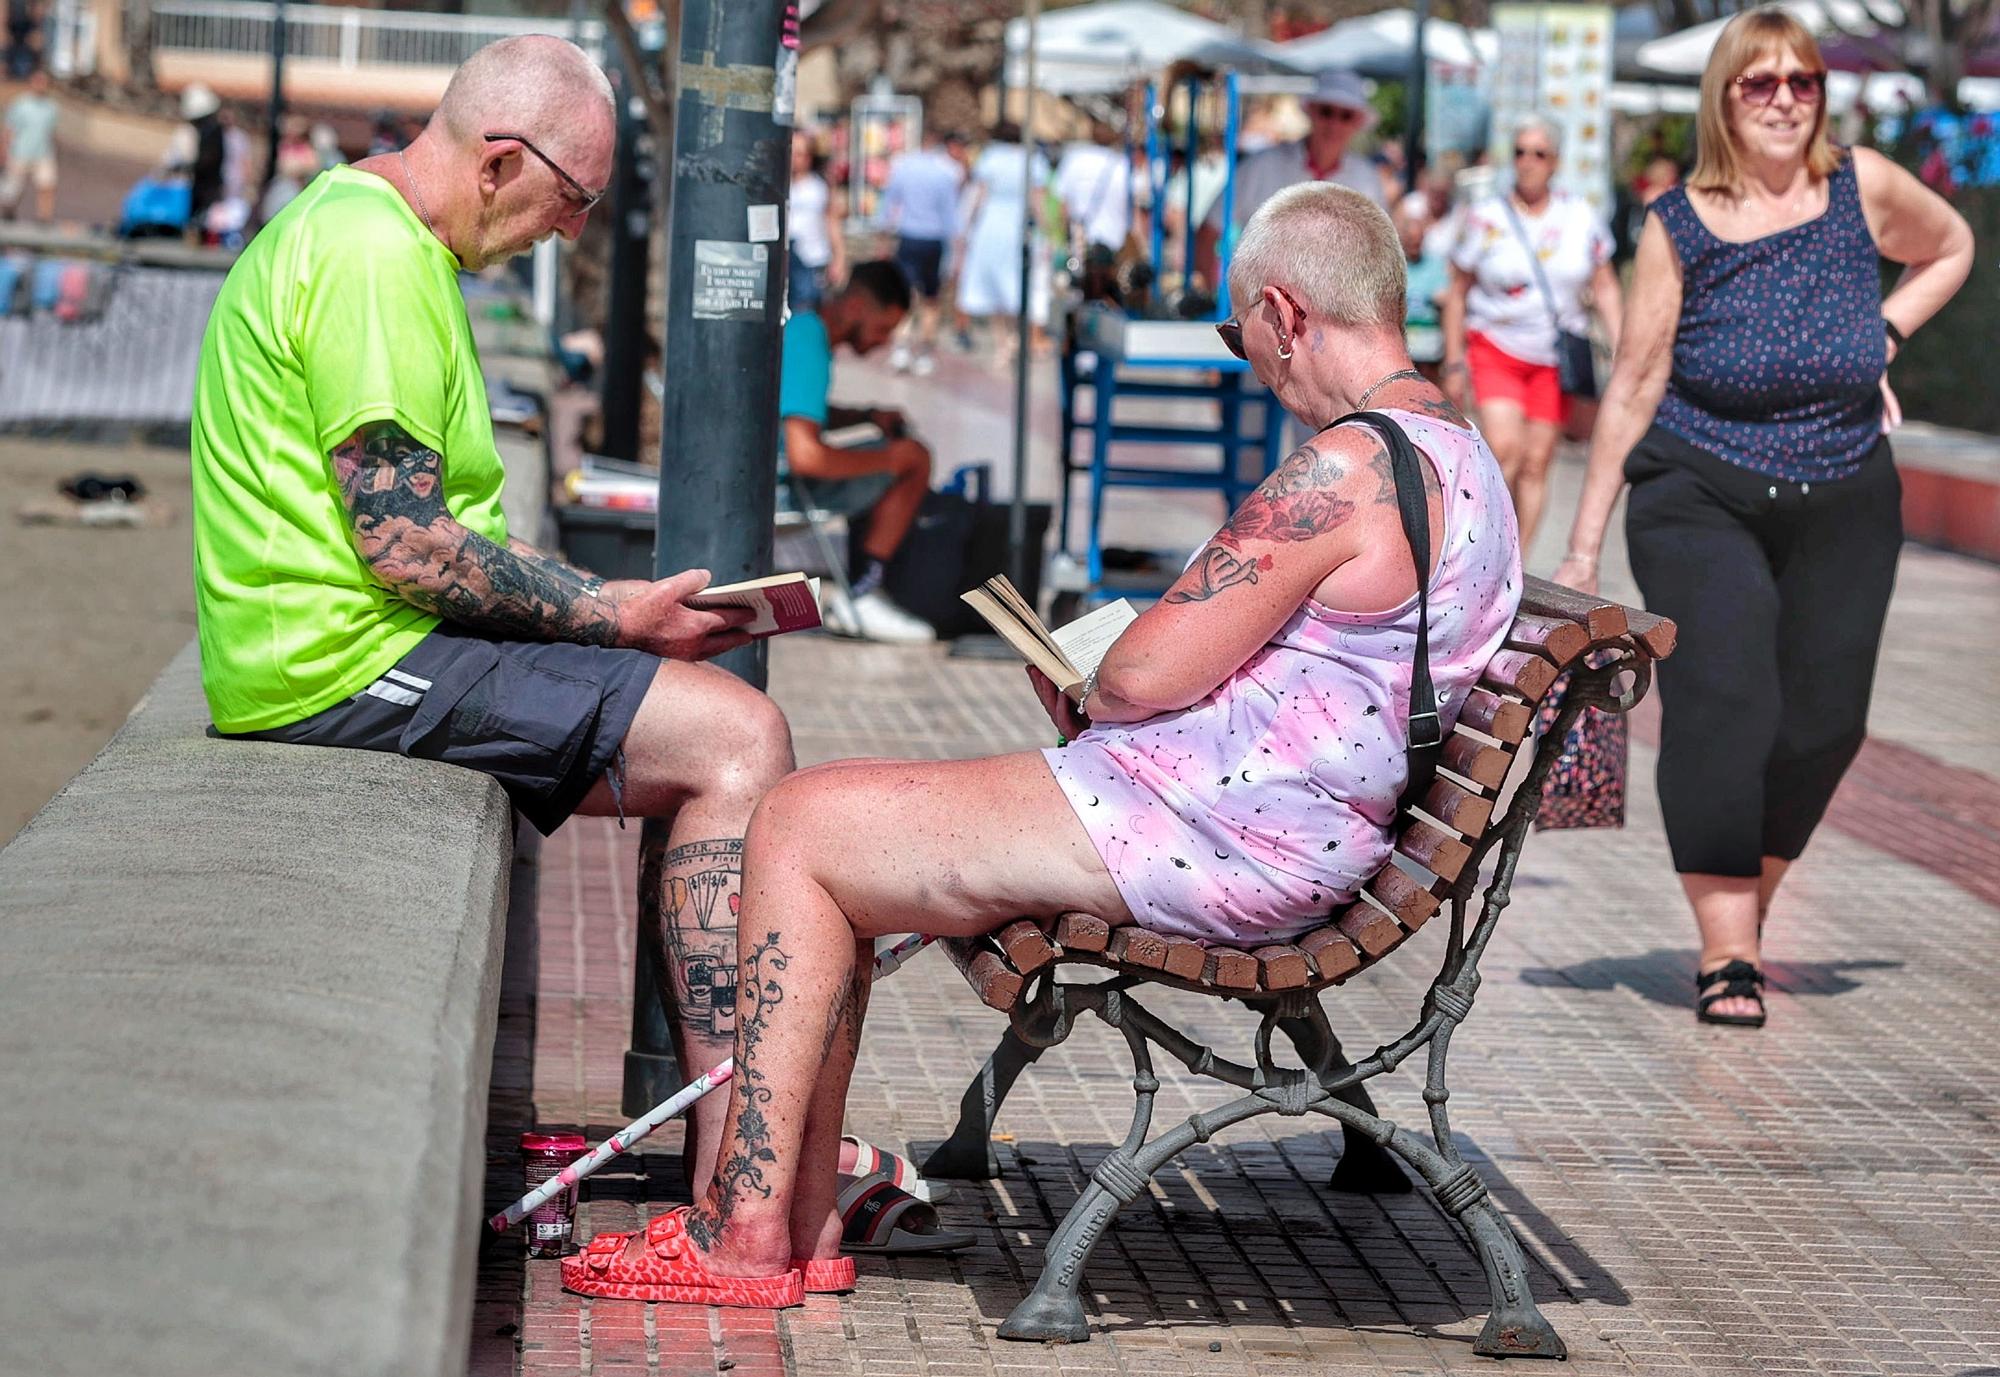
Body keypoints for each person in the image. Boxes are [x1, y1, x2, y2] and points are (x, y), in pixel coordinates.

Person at [559, 182, 1524, 1306]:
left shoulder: (1343, 471)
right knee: (830, 834)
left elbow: (1140, 672)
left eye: (1239, 336)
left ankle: (747, 1237)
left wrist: (1081, 679)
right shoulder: (1465, 461)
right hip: (1280, 830)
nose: (1249, 363)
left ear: (1285, 313)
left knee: (796, 821)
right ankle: (795, 1216)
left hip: (1212, 836)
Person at [188, 35, 792, 1195]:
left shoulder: (364, 230)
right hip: (344, 662)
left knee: (706, 729)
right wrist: (610, 613)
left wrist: (605, 608)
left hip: (353, 644)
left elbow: (442, 526)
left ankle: (729, 1145)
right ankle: (737, 1181)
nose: (570, 232)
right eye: (573, 203)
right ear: (502, 160)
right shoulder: (374, 259)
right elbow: (405, 545)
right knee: (737, 740)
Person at [1552, 7, 1973, 1027]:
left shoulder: (1859, 186)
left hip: (1842, 489)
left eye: (1801, 82)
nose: (1784, 99)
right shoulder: (1678, 222)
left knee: (1825, 724)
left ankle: (1748, 896)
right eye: (1759, 84)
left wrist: (1881, 329)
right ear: (1724, 101)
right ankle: (1725, 945)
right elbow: (1638, 374)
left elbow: (1952, 245)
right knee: (1726, 701)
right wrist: (1579, 540)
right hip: (1698, 488)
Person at [1440, 116, 1623, 553]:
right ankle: (1483, 549)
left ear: (1555, 161)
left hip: (1553, 358)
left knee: (1538, 463)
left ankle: (1515, 562)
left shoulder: (1580, 217)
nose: (1527, 162)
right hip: (1495, 346)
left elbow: (1604, 285)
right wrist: (1452, 361)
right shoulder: (1486, 218)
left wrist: (1623, 352)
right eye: (1520, 151)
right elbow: (1457, 291)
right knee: (1506, 451)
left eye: (1538, 153)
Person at [778, 260, 937, 644]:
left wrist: (866, 416)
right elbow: (806, 456)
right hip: (781, 489)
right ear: (855, 307)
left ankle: (863, 587)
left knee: (902, 452)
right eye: (883, 328)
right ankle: (862, 593)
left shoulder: (804, 330)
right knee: (915, 458)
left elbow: (794, 414)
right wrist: (890, 459)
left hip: (774, 477)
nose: (884, 342)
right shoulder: (808, 341)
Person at [1218, 69, 1386, 232]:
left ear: (1357, 122)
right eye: (1326, 112)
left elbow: (1380, 242)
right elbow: (1210, 228)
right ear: (1311, 110)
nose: (1335, 124)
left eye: (1346, 115)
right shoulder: (1262, 165)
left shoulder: (1367, 178)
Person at [953, 121, 1052, 363]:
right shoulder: (1032, 160)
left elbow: (978, 197)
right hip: (1018, 228)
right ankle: (1016, 338)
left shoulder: (991, 158)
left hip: (991, 227)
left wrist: (966, 230)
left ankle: (1003, 342)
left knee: (995, 286)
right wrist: (1047, 231)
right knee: (1018, 284)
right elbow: (1038, 202)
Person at [879, 126, 963, 375]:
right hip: (934, 240)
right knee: (931, 299)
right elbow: (951, 215)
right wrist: (957, 249)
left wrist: (883, 237)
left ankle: (902, 348)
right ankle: (925, 351)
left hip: (909, 237)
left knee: (906, 294)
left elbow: (889, 204)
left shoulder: (903, 167)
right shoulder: (946, 172)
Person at [1053, 121, 1132, 260]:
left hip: (1080, 243)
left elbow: (1063, 206)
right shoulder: (1123, 164)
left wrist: (1065, 236)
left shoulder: (1074, 159)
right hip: (1115, 242)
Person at [784, 129, 843, 312]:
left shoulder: (819, 187)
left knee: (806, 310)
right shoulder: (778, 185)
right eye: (792, 152)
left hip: (812, 260)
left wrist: (839, 258)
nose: (795, 158)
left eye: (800, 154)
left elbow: (832, 222)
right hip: (783, 261)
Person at [0, 66, 59, 223]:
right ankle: (8, 215)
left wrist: (54, 150)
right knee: (12, 191)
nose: (41, 85)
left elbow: (51, 132)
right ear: (31, 82)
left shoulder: (51, 107)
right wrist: (4, 151)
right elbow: (9, 130)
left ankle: (44, 219)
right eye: (38, 81)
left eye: (44, 82)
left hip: (43, 153)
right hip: (20, 152)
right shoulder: (20, 104)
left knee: (47, 186)